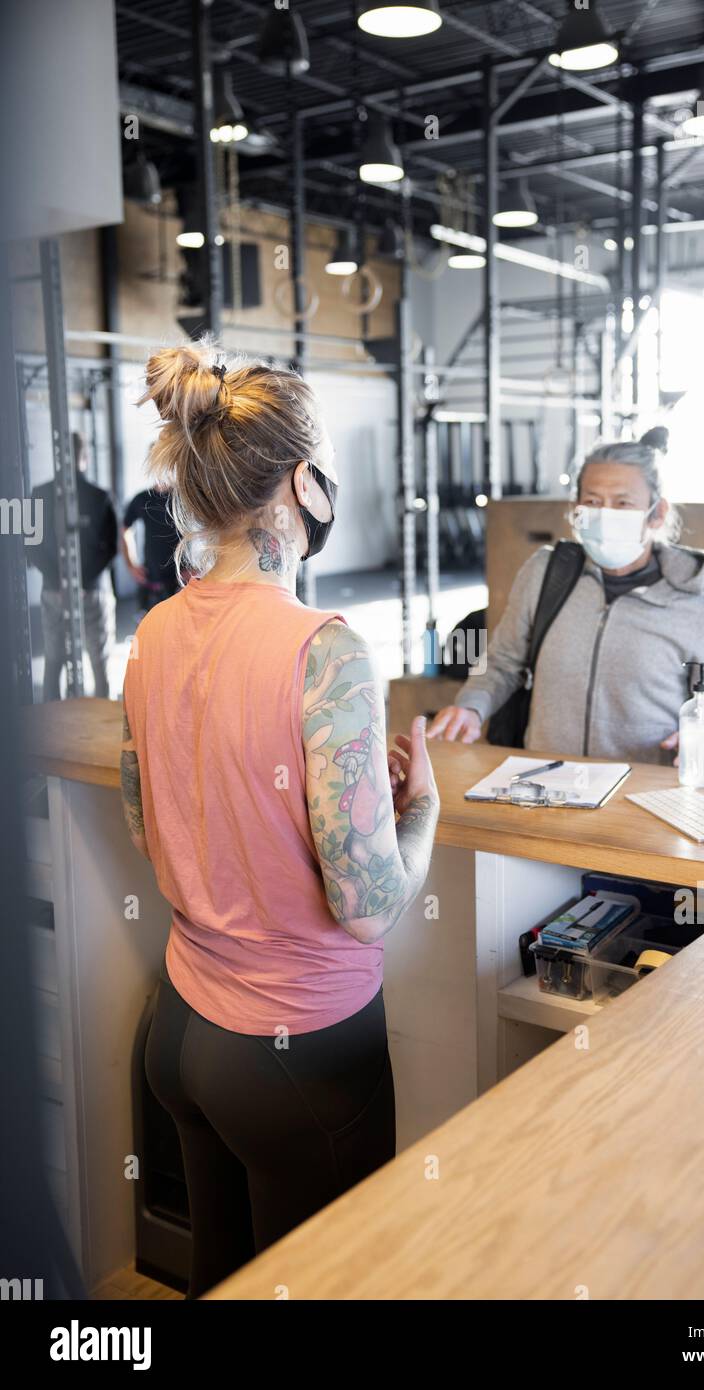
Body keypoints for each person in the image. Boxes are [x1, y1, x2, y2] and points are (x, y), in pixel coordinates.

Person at [121, 344, 439, 1298]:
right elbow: (368, 903)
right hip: (295, 1051)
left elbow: (150, 819)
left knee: (220, 1277)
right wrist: (416, 809)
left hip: (179, 1031)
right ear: (304, 481)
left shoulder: (153, 631)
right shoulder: (325, 651)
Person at [429, 428, 704, 770]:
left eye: (623, 503)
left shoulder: (698, 601)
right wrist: (471, 706)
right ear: (577, 509)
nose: (605, 514)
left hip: (642, 795)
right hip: (545, 785)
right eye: (593, 501)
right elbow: (503, 662)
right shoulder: (545, 573)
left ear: (656, 514)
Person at [29, 432, 117, 700]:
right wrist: (80, 581)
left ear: (58, 458)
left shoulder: (38, 494)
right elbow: (111, 547)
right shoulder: (100, 496)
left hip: (53, 592)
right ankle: (103, 731)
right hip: (92, 592)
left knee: (53, 662)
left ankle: (50, 728)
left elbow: (28, 545)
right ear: (85, 457)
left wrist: (60, 582)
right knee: (99, 663)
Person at [121, 481, 183, 610]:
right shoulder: (142, 498)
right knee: (149, 627)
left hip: (181, 581)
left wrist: (196, 568)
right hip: (151, 579)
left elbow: (205, 530)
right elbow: (125, 529)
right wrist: (130, 564)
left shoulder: (184, 497)